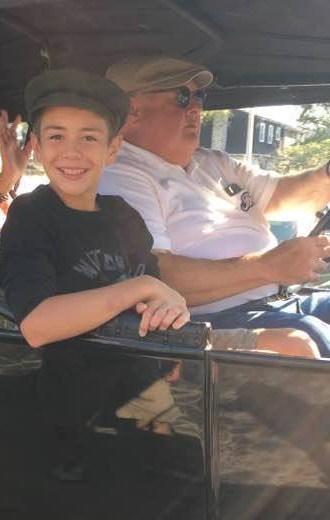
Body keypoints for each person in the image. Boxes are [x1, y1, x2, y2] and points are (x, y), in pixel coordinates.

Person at [0, 68, 319, 359]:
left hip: (157, 351)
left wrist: (167, 304)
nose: (72, 151)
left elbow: (160, 290)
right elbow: (36, 327)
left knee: (297, 342)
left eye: (89, 138)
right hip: (93, 369)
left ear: (113, 148)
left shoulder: (121, 213)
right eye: (56, 136)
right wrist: (140, 289)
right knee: (298, 343)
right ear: (37, 147)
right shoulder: (31, 213)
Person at [98, 55, 330, 356]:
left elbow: (286, 197)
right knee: (313, 339)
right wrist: (269, 267)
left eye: (199, 96)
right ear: (131, 110)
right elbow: (153, 275)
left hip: (284, 300)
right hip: (210, 320)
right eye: (182, 96)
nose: (196, 108)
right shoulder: (119, 174)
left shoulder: (212, 161)